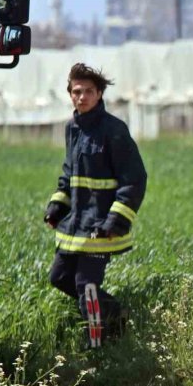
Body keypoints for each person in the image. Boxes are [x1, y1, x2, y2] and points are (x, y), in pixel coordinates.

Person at [43, 63, 147, 348]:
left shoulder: (114, 130)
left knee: (85, 286)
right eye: (77, 92)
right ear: (70, 94)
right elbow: (69, 175)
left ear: (99, 94)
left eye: (89, 91)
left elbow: (135, 179)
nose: (82, 97)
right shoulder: (72, 129)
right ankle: (117, 315)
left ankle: (97, 347)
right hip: (75, 224)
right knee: (59, 277)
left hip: (101, 227)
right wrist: (57, 205)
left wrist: (116, 220)